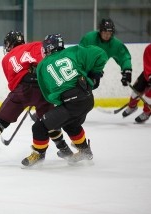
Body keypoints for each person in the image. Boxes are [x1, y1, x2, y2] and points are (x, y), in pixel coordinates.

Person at [0, 30, 73, 166]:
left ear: (9, 44)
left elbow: (13, 84)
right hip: (43, 88)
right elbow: (50, 58)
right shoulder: (35, 45)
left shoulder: (6, 59)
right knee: (48, 122)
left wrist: (26, 98)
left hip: (22, 90)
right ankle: (64, 149)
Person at [21, 34, 108, 167]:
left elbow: (48, 95)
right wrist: (95, 74)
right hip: (87, 99)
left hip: (71, 103)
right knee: (70, 124)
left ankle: (38, 154)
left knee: (39, 126)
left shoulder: (42, 65)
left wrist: (60, 100)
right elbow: (101, 53)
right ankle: (85, 151)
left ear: (48, 48)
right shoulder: (74, 51)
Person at [79, 18, 133, 88]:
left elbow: (124, 57)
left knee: (92, 86)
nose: (107, 35)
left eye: (109, 33)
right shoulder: (89, 38)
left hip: (96, 71)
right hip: (82, 68)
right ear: (100, 31)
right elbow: (79, 53)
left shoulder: (115, 44)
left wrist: (127, 70)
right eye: (105, 32)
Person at [122, 44, 151, 123]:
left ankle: (147, 112)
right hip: (147, 74)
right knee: (136, 91)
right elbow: (147, 64)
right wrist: (149, 76)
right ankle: (132, 106)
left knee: (149, 97)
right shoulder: (149, 48)